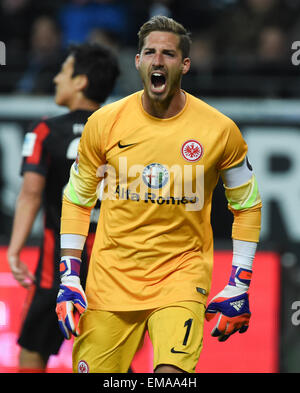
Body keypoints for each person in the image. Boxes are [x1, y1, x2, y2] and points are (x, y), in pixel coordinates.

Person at [56, 16, 262, 373]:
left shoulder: (219, 130)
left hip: (180, 277)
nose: (157, 60)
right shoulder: (104, 124)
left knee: (170, 378)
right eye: (149, 52)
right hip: (110, 281)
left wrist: (239, 283)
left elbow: (247, 205)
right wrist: (70, 275)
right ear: (137, 62)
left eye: (168, 54)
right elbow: (77, 198)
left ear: (184, 64)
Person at [7, 42, 120, 372]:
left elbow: (29, 194)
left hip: (57, 268)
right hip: (112, 268)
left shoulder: (45, 130)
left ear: (81, 81)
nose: (56, 79)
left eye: (64, 72)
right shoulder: (122, 130)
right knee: (110, 359)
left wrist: (14, 251)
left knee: (32, 352)